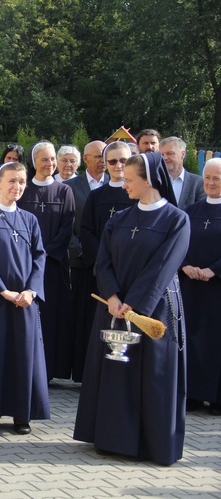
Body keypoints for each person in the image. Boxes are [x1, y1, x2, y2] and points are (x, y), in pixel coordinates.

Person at [73, 152, 190, 466]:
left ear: (149, 180)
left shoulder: (176, 220)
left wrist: (134, 304)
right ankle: (113, 439)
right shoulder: (119, 219)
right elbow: (103, 261)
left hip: (153, 311)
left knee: (151, 375)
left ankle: (150, 443)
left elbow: (163, 267)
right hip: (114, 308)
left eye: (129, 180)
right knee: (115, 372)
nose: (123, 184)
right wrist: (111, 296)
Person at [0, 161, 48, 435]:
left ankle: (21, 414)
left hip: (25, 301)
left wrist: (31, 291)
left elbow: (40, 256)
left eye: (21, 182)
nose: (17, 186)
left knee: (22, 355)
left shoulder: (30, 220)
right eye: (12, 181)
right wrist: (2, 290)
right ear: (0, 183)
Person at [75, 141, 137, 381]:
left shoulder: (136, 195)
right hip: (99, 271)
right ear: (105, 163)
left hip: (127, 272)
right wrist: (103, 258)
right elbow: (86, 229)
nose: (118, 166)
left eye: (123, 160)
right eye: (112, 161)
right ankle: (92, 373)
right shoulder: (96, 196)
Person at [18, 141, 75, 381]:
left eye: (53, 159)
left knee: (51, 319)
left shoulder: (64, 192)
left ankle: (48, 371)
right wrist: (28, 254)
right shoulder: (24, 189)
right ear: (34, 163)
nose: (50, 164)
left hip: (52, 266)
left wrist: (46, 253)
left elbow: (67, 228)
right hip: (25, 267)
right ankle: (25, 367)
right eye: (45, 159)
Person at [179, 158, 221, 415]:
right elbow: (179, 244)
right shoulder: (191, 211)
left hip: (217, 289)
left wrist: (214, 270)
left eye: (217, 178)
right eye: (207, 178)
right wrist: (185, 265)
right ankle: (193, 394)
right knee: (192, 339)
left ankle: (217, 398)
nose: (211, 183)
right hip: (191, 288)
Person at [65, 139, 108, 381]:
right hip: (82, 263)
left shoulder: (118, 186)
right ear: (86, 159)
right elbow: (67, 226)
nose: (102, 161)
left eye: (106, 156)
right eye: (98, 156)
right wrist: (84, 251)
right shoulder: (72, 187)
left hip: (110, 266)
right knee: (82, 321)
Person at [160, 137, 205, 209]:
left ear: (183, 154)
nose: (165, 158)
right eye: (162, 154)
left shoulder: (198, 183)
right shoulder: (156, 181)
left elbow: (201, 210)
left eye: (169, 153)